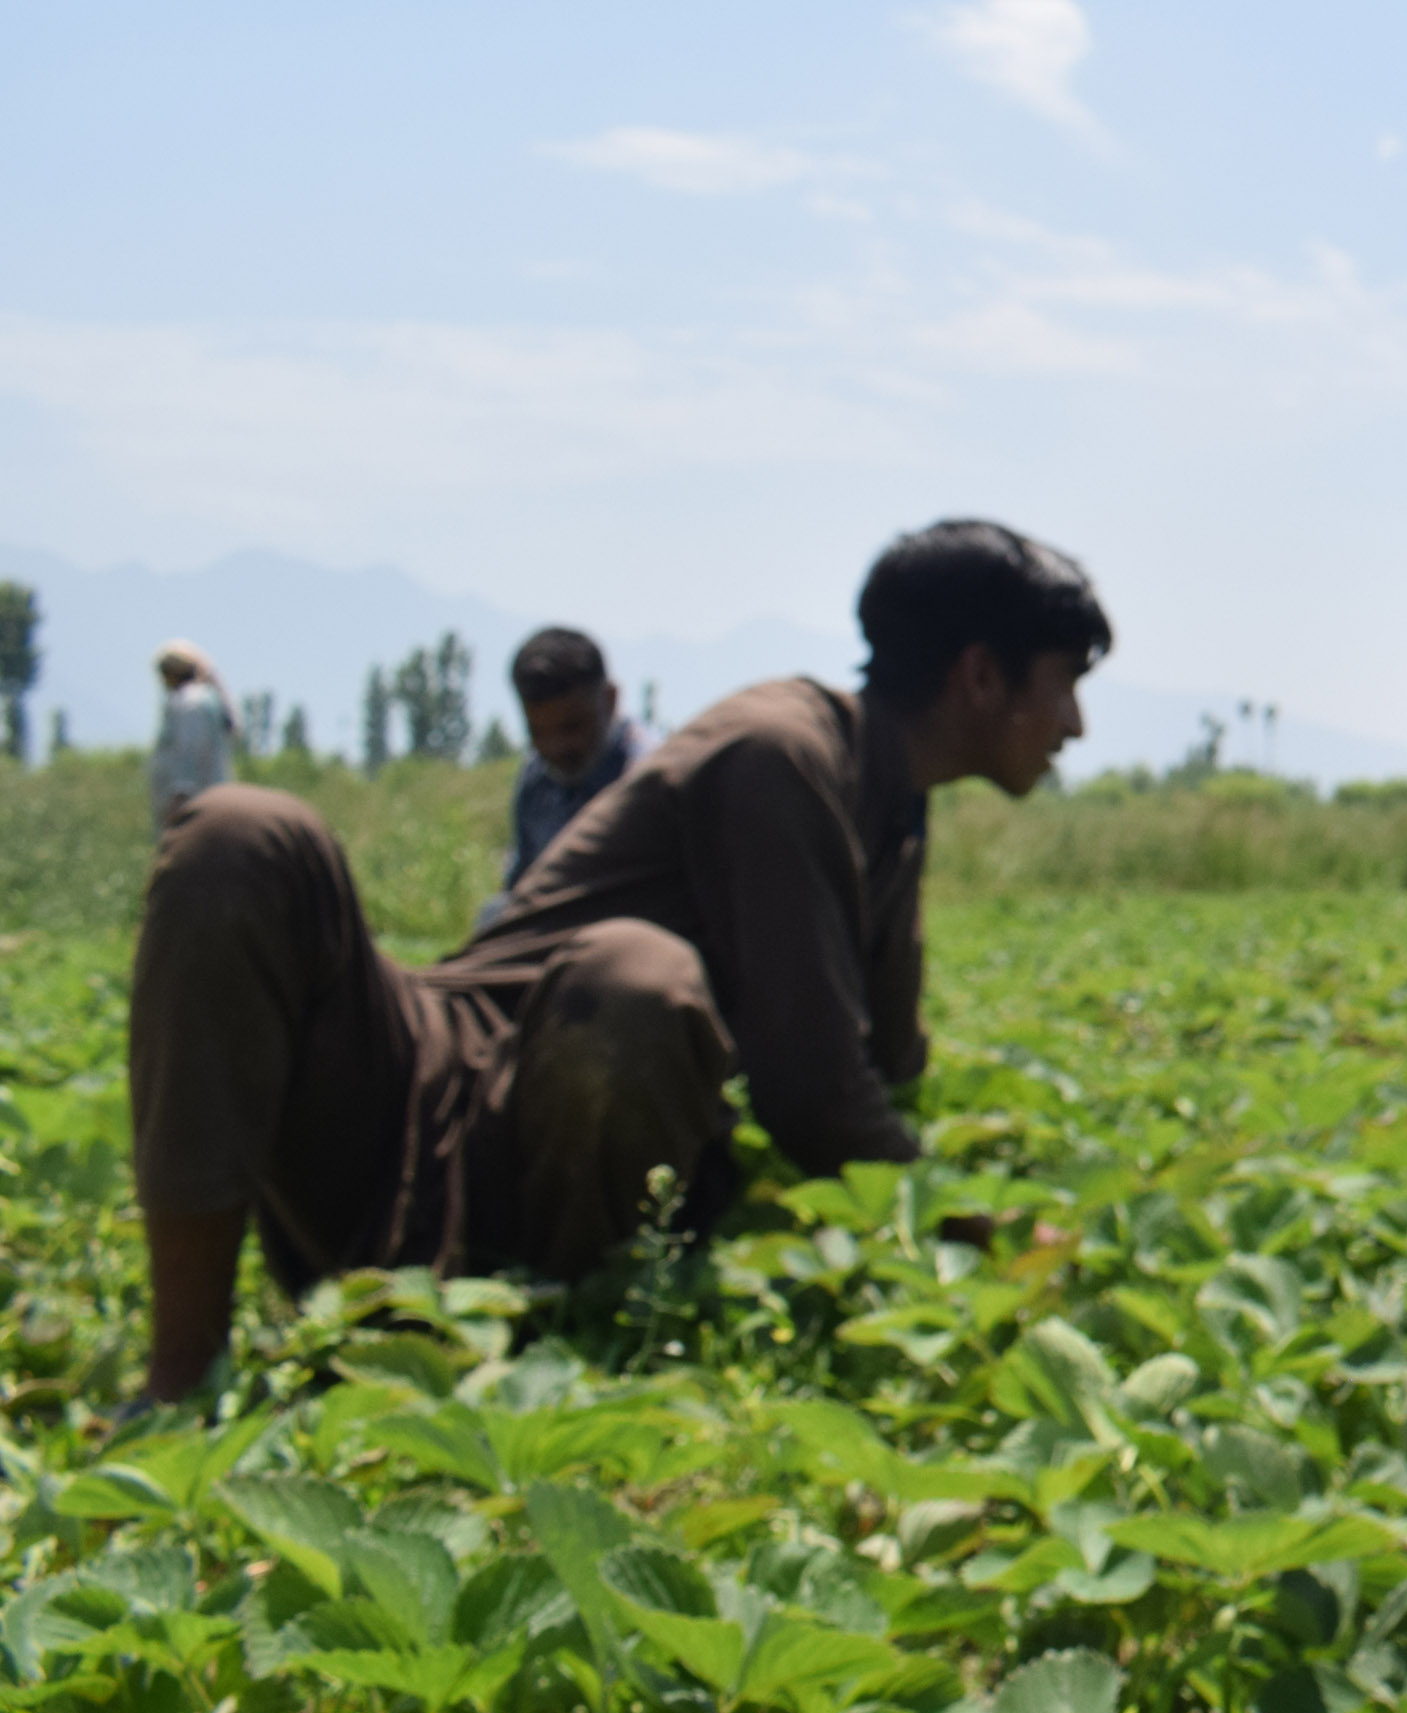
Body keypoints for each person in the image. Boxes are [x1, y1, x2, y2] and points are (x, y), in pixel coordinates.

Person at [124, 519, 1108, 1404]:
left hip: (575, 1166)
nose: (1074, 723)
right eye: (1063, 682)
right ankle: (179, 1378)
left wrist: (943, 1236)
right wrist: (990, 1243)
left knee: (632, 985)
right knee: (243, 835)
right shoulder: (781, 752)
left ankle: (542, 1329)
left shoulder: (891, 810)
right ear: (981, 676)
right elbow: (815, 1092)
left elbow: (880, 1083)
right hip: (420, 1104)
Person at [475, 627, 651, 932]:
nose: (556, 748)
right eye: (538, 732)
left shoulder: (647, 778)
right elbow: (522, 887)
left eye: (572, 727)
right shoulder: (536, 780)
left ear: (610, 700)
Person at [147, 640, 235, 825]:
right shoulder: (201, 699)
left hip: (192, 805)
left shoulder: (191, 704)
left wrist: (181, 796)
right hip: (204, 801)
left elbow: (190, 751)